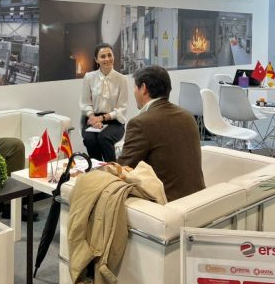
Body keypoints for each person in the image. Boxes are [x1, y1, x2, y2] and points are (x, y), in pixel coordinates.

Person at [118, 65, 205, 201]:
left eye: (135, 87)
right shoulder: (188, 116)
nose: (134, 92)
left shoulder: (140, 123)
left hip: (167, 204)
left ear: (143, 88)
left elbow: (123, 169)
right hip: (198, 198)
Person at [79, 42, 128, 161]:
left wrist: (102, 118)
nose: (107, 59)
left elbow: (122, 108)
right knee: (90, 139)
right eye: (103, 56)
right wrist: (93, 118)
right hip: (92, 118)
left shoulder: (122, 79)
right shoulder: (89, 77)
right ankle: (98, 168)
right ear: (96, 60)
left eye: (109, 55)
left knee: (104, 138)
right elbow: (85, 103)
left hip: (114, 121)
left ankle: (112, 168)